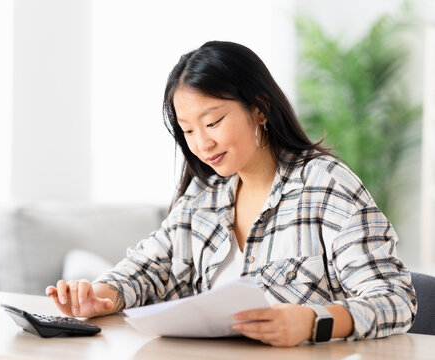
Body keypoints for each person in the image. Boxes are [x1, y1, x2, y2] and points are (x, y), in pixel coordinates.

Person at [46, 41, 416, 346]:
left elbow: (394, 300)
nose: (202, 144)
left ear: (260, 109)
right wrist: (102, 294)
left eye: (213, 122)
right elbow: (150, 267)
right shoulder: (205, 194)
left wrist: (310, 322)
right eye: (188, 131)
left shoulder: (325, 184)